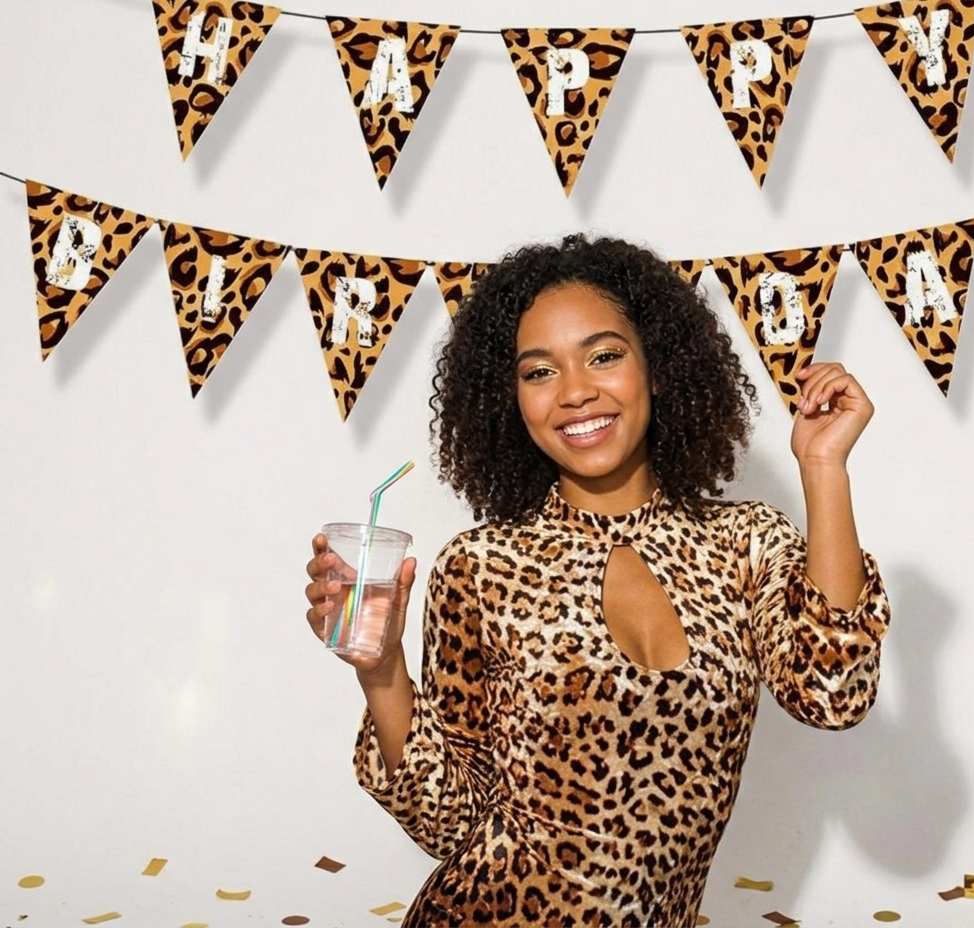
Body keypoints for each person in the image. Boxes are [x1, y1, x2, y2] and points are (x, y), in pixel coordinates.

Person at [304, 235, 890, 927]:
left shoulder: (745, 542)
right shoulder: (481, 566)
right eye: (539, 371)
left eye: (604, 356)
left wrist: (823, 467)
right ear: (512, 399)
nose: (576, 391)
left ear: (657, 368)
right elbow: (450, 821)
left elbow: (833, 693)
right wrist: (380, 672)